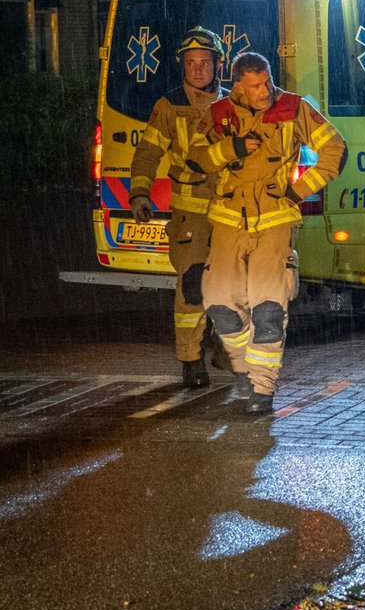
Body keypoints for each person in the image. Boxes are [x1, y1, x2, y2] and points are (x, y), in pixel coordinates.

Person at [199, 52, 345, 414]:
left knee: (267, 310)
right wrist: (229, 149)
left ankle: (262, 390)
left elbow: (335, 150)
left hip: (274, 222)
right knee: (221, 307)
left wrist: (297, 191)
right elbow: (194, 158)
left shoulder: (294, 109)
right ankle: (244, 372)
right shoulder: (218, 115)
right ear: (238, 87)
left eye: (267, 82)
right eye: (256, 86)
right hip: (227, 221)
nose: (266, 91)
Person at [129, 26, 227, 388]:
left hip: (230, 212)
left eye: (204, 61)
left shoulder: (233, 104)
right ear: (182, 68)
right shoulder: (169, 106)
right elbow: (148, 153)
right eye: (190, 63)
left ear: (218, 65)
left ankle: (224, 343)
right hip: (191, 215)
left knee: (231, 285)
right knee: (192, 285)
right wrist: (140, 194)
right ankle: (191, 359)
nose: (198, 69)